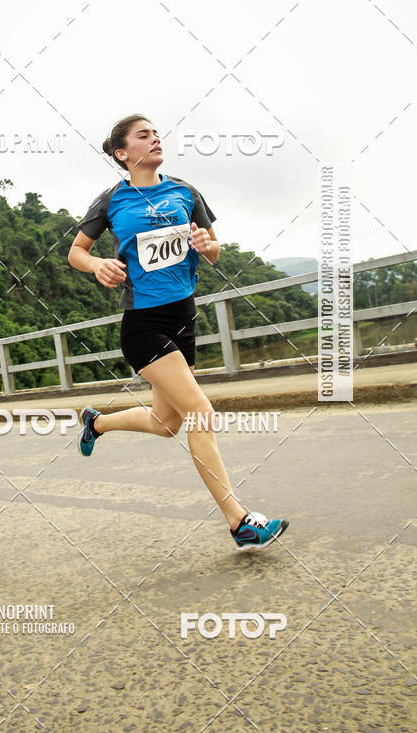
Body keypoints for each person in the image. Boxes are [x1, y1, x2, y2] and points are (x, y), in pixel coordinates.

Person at [67, 113, 288, 551]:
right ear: (122, 153)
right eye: (143, 136)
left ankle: (98, 422)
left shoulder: (184, 192)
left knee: (166, 422)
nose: (155, 140)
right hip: (144, 324)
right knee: (201, 412)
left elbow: (213, 247)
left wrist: (209, 247)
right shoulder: (111, 201)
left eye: (156, 134)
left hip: (183, 318)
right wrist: (96, 265)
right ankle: (239, 522)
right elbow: (77, 250)